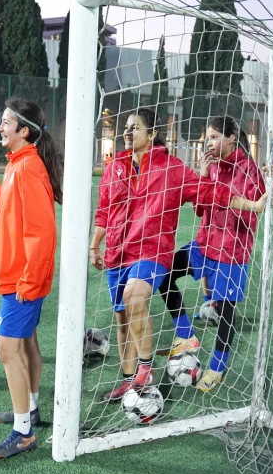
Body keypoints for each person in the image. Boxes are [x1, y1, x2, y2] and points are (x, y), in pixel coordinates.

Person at [89, 108, 222, 402]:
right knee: (122, 320)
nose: (127, 132)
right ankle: (128, 380)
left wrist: (252, 203)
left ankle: (145, 370)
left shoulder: (171, 168)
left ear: (151, 135)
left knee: (134, 297)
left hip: (151, 250)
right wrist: (95, 245)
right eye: (126, 127)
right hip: (117, 252)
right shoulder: (115, 167)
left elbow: (208, 191)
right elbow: (104, 210)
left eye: (134, 127)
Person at [158, 115, 266, 392]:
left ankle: (217, 366)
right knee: (164, 273)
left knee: (226, 312)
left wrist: (231, 199)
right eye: (208, 137)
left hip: (232, 252)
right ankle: (185, 335)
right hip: (205, 244)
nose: (209, 142)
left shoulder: (251, 170)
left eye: (215, 137)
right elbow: (199, 208)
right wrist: (204, 176)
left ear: (231, 139)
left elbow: (252, 211)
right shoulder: (213, 166)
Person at [0, 99, 62, 459]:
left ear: (23, 131)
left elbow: (43, 233)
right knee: (27, 344)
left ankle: (23, 432)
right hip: (21, 275)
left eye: (5, 123)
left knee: (6, 349)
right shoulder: (20, 164)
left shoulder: (28, 168)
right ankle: (29, 411)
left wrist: (28, 282)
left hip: (23, 279)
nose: (0, 129)